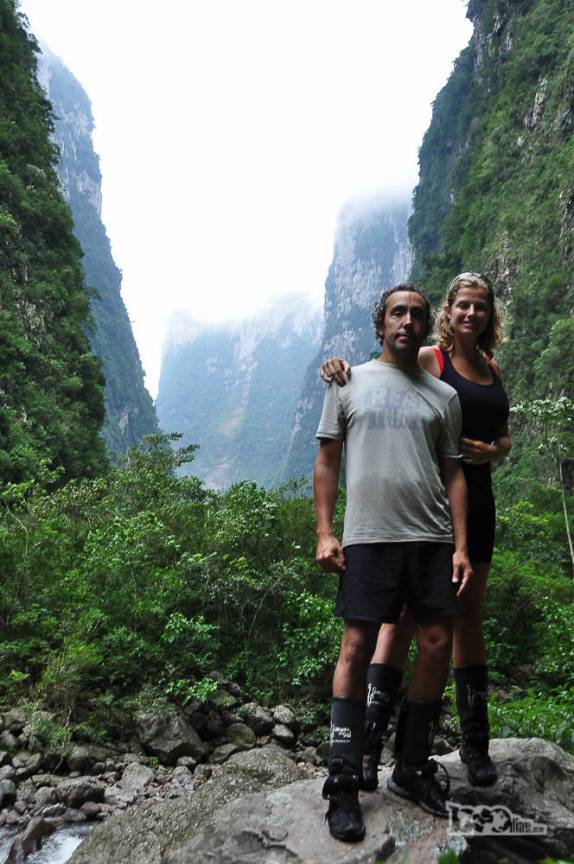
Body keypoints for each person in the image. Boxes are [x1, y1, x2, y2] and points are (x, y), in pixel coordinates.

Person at [319, 272, 510, 794]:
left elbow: (497, 433)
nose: (472, 314)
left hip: (466, 505)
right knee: (387, 628)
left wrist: (497, 451)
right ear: (448, 312)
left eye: (481, 306)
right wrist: (339, 367)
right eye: (462, 306)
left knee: (455, 624)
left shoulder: (482, 373)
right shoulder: (428, 360)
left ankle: (459, 749)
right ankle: (365, 752)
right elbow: (385, 381)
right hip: (406, 512)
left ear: (490, 314)